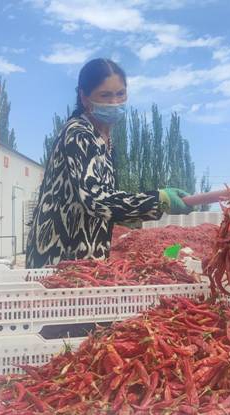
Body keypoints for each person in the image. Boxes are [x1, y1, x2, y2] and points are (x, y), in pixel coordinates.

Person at [26, 58, 193, 268]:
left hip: (88, 259)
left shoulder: (105, 140)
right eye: (105, 95)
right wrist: (158, 199)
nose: (115, 103)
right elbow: (97, 200)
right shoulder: (78, 133)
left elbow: (107, 203)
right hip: (58, 257)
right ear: (84, 97)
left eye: (120, 94)